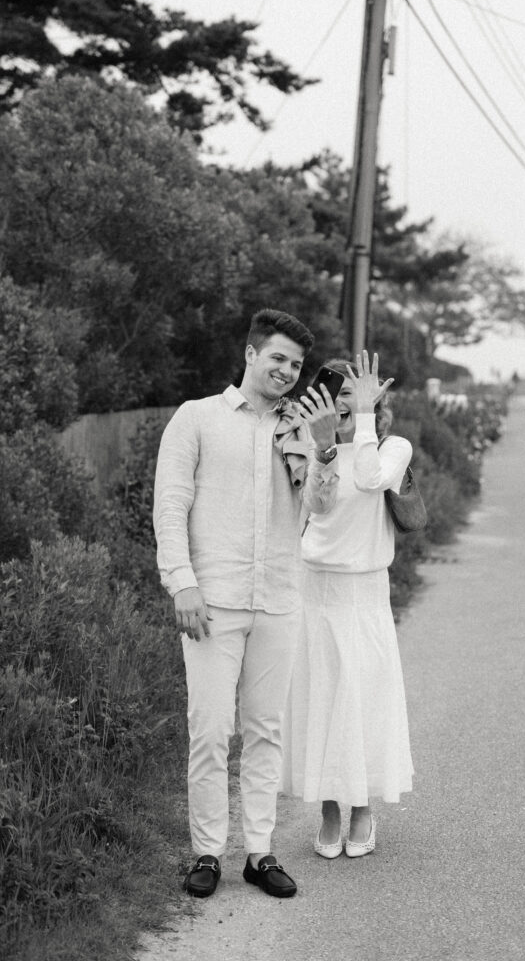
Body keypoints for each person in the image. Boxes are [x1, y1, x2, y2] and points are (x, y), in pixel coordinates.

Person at [153, 308, 339, 899]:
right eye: (278, 357)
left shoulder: (300, 429)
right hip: (214, 600)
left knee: (265, 730)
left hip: (279, 597)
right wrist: (182, 582)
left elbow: (320, 509)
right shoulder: (197, 418)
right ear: (251, 354)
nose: (287, 371)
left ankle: (259, 853)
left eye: (297, 365)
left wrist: (326, 447)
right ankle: (207, 852)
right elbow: (170, 505)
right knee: (210, 730)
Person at [281, 350, 415, 858]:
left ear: (372, 403)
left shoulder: (393, 447)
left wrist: (361, 422)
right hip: (316, 588)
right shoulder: (311, 444)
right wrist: (322, 450)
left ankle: (362, 810)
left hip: (365, 593)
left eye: (353, 400)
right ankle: (328, 811)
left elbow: (371, 479)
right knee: (321, 698)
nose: (342, 408)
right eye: (336, 399)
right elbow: (316, 506)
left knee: (361, 700)